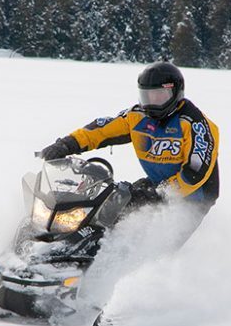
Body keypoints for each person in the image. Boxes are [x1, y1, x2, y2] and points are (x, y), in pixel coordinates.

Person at [39, 62, 219, 219]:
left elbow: (195, 172)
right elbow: (100, 130)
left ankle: (148, 258)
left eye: (159, 96)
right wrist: (66, 144)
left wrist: (160, 194)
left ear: (176, 93)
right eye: (147, 96)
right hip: (157, 183)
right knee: (111, 208)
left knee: (154, 242)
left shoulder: (195, 124)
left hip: (193, 198)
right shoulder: (138, 116)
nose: (152, 102)